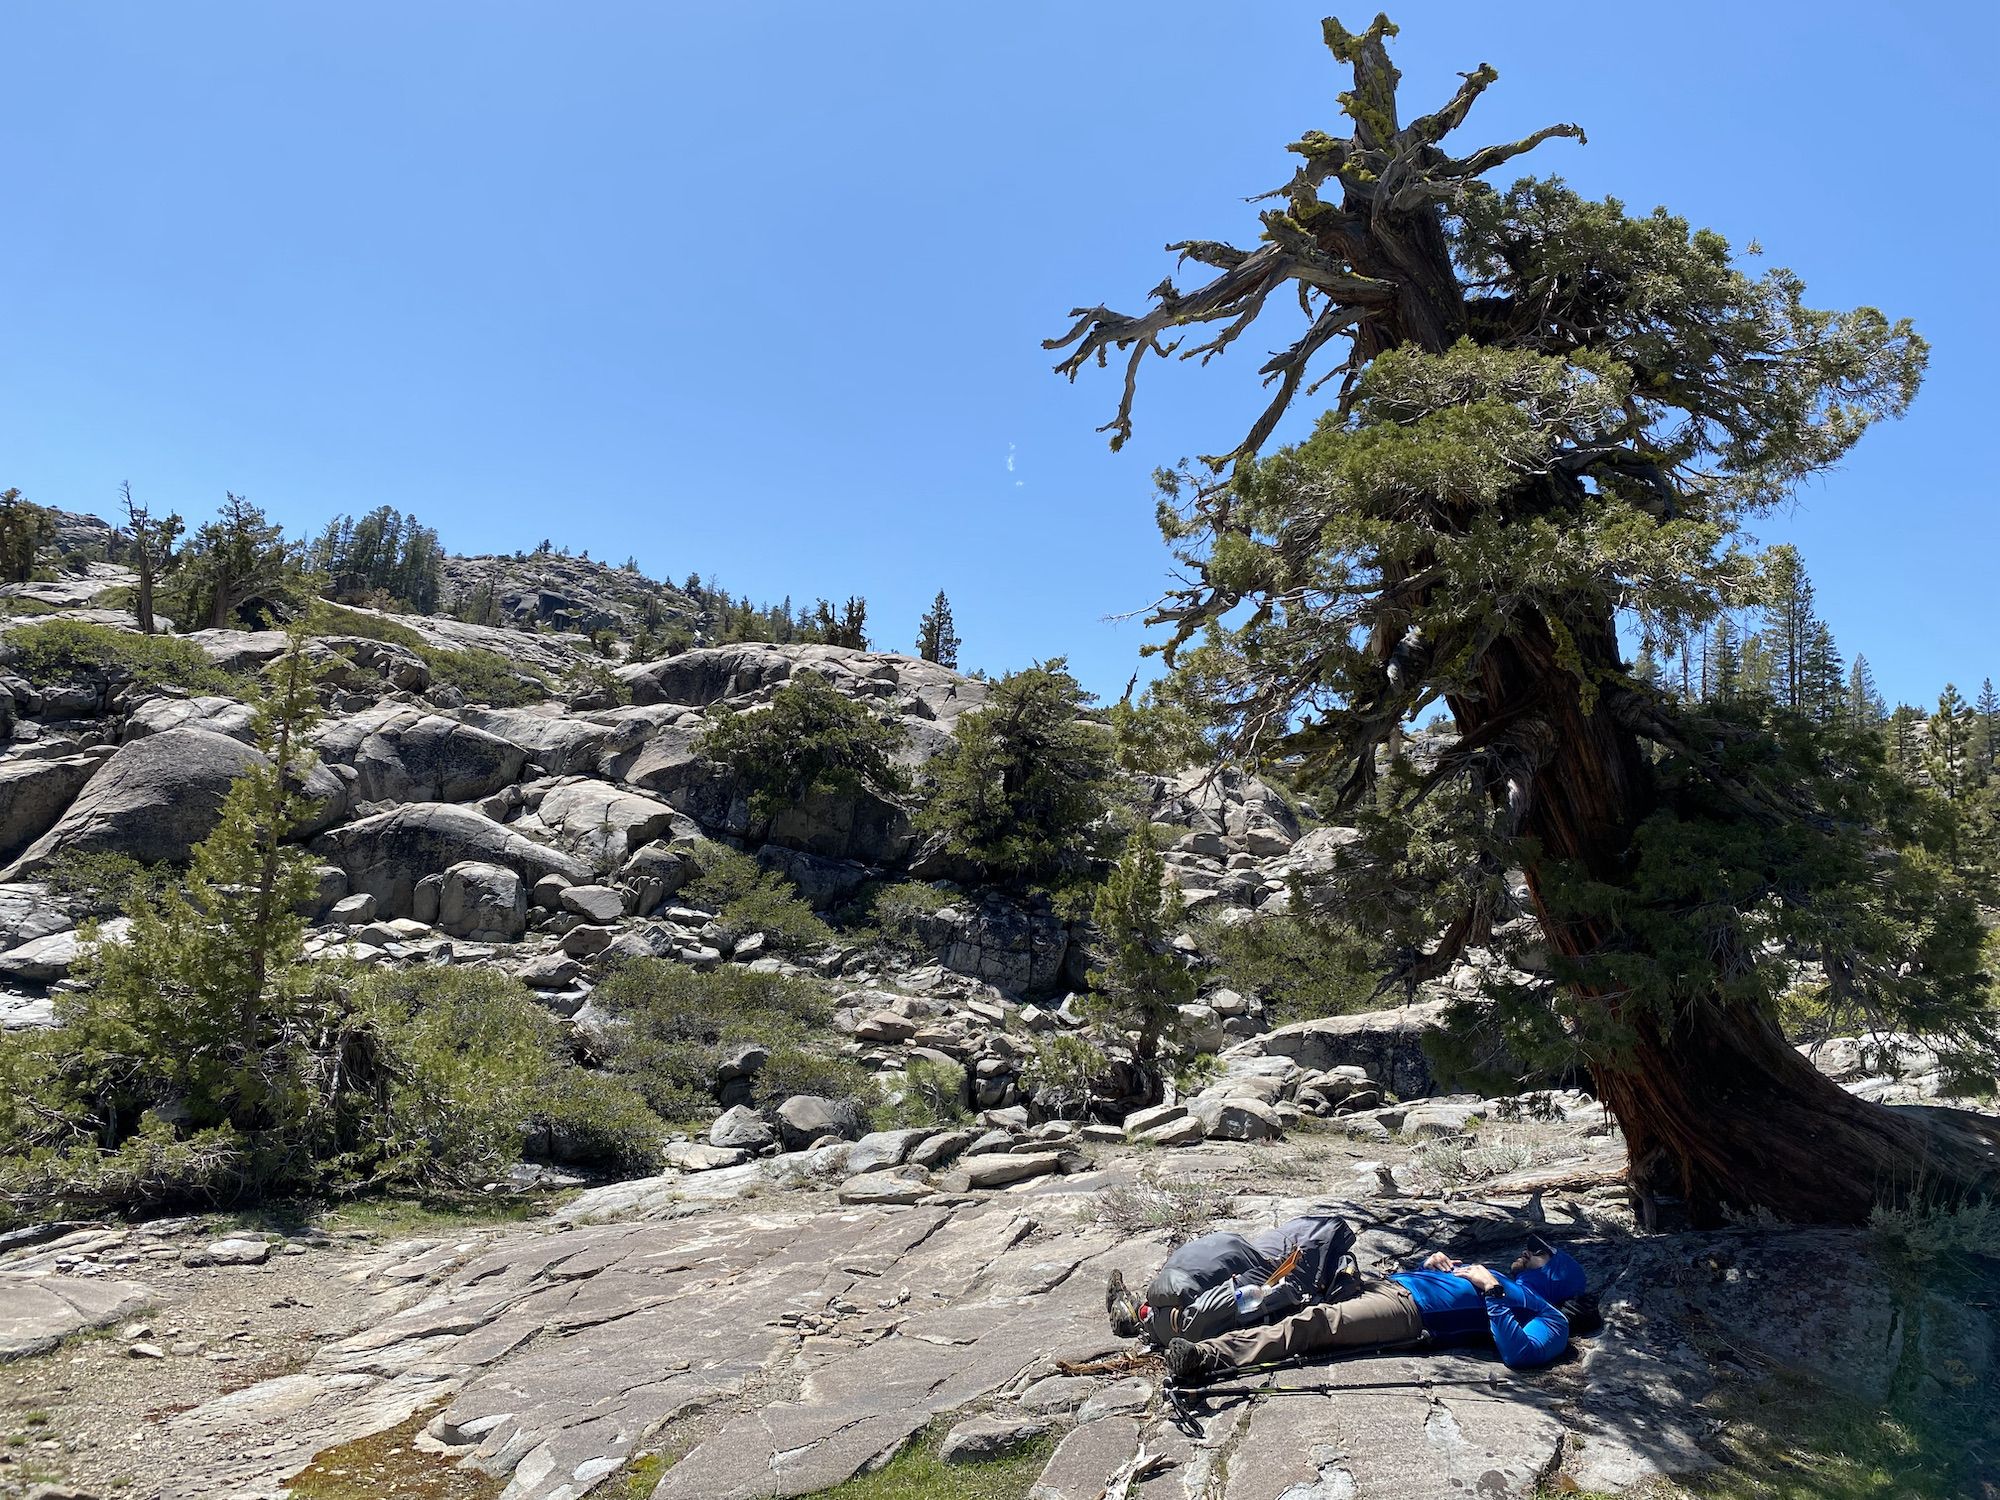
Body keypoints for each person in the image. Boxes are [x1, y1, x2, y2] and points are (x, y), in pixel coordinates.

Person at [1159, 1237, 1588, 1386]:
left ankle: (1206, 1357)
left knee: (1316, 1324)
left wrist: (1492, 1291)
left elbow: (1521, 1354)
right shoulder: (1510, 1282)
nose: (1527, 1254)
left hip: (1409, 1314)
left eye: (1536, 1256)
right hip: (1393, 1283)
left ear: (1553, 1276)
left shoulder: (1552, 1319)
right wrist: (1433, 1265)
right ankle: (1163, 1323)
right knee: (1284, 1289)